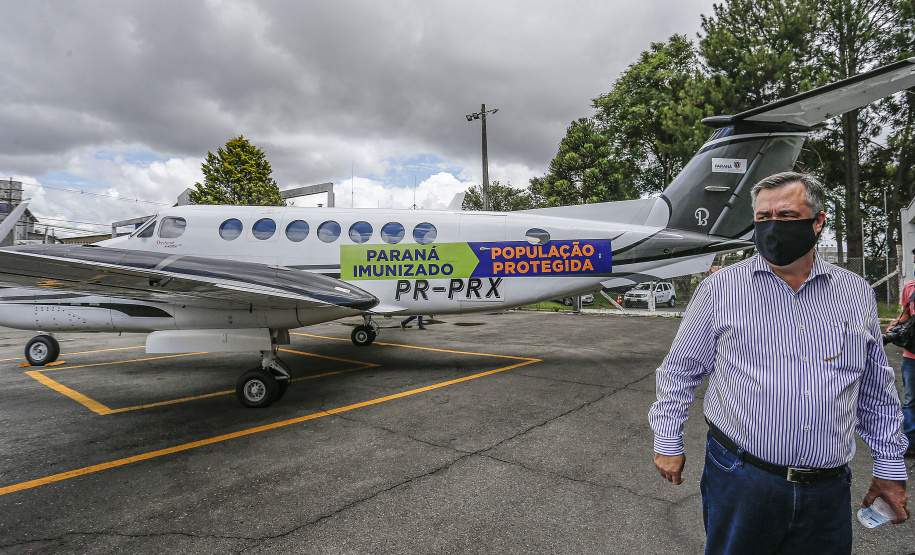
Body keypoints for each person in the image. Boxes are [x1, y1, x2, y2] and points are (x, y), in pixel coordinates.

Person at [649, 172, 909, 554]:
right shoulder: (721, 289)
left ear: (817, 222)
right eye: (762, 217)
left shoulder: (854, 292)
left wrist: (889, 467)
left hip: (828, 487)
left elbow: (875, 388)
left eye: (786, 216)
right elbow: (681, 370)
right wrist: (668, 440)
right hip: (743, 478)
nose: (772, 227)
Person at [886, 249, 915, 458]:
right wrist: (893, 328)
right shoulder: (910, 287)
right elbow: (905, 313)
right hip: (911, 356)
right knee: (910, 400)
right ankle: (911, 444)